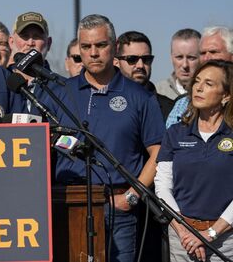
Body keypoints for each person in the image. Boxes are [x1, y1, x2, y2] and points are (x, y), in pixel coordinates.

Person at [44, 14, 165, 262]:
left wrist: (132, 197)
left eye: (100, 45)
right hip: (66, 205)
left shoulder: (139, 97)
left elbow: (159, 152)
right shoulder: (58, 93)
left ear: (115, 46)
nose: (93, 53)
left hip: (118, 208)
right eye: (86, 47)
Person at [155, 60, 233, 262]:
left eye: (209, 84)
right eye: (197, 81)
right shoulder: (175, 132)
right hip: (182, 237)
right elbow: (162, 186)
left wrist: (211, 234)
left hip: (226, 240)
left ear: (226, 96)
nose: (198, 87)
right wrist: (183, 232)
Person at [166, 27, 233, 128]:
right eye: (202, 53)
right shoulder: (183, 105)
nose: (207, 58)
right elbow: (171, 139)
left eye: (213, 52)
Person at [116, 31, 175, 120]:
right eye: (132, 59)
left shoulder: (171, 109)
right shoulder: (102, 104)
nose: (140, 65)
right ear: (116, 62)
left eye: (146, 59)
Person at [156, 29, 201, 100]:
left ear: (201, 58)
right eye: (179, 57)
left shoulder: (211, 92)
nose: (185, 65)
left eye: (191, 58)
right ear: (171, 58)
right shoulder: (157, 92)